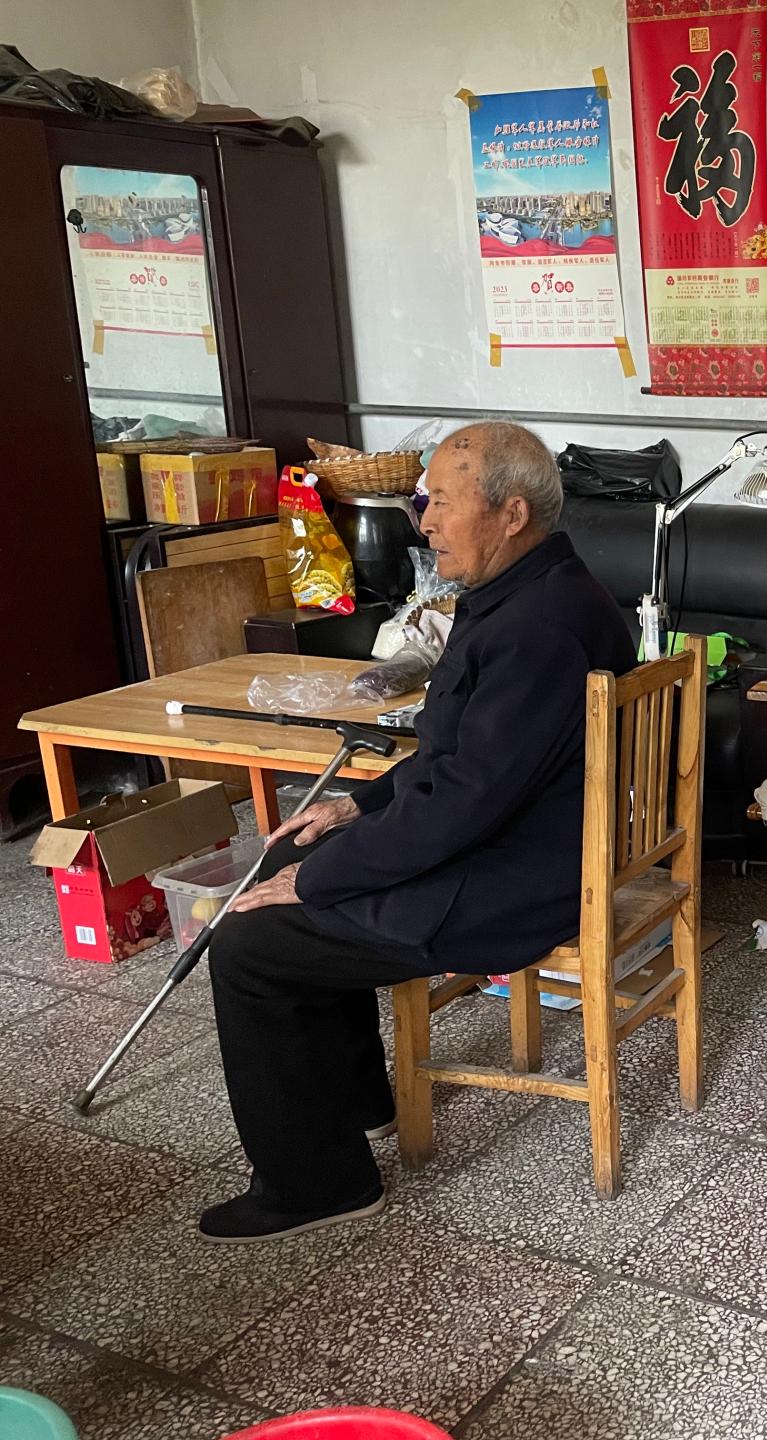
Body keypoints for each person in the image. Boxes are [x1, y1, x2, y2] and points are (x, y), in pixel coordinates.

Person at [197, 421, 633, 1244]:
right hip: (517, 837)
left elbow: (464, 801)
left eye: (440, 503)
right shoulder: (533, 589)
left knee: (252, 945)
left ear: (511, 514)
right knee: (297, 845)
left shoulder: (537, 627)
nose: (423, 520)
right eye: (424, 502)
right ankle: (357, 1102)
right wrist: (356, 808)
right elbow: (462, 757)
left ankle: (318, 1183)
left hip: (516, 879)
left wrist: (319, 880)